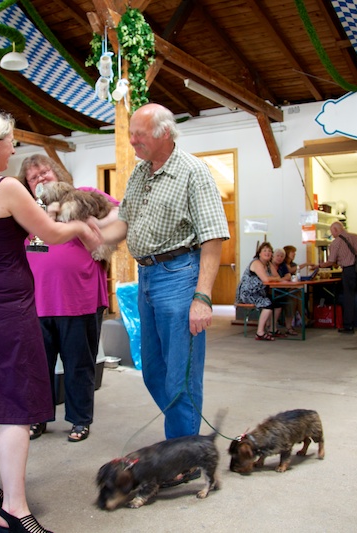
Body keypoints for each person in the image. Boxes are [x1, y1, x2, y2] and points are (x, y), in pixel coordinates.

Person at [0, 107, 100, 533]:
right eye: (11, 139)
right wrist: (81, 228)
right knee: (15, 405)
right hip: (8, 305)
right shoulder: (7, 186)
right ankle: (14, 509)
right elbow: (49, 235)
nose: (14, 146)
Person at [100, 103, 230, 447]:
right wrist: (88, 236)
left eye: (139, 135)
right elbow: (123, 223)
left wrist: (202, 296)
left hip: (179, 275)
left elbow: (213, 237)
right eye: (131, 135)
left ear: (165, 134)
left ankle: (183, 452)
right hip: (147, 277)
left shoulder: (193, 172)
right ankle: (187, 441)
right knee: (154, 371)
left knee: (180, 376)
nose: (132, 142)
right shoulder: (140, 173)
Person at [18, 154, 119, 443]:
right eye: (33, 176)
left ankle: (79, 420)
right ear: (27, 184)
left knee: (79, 365)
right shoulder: (27, 210)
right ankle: (38, 419)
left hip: (80, 299)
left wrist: (89, 223)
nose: (41, 178)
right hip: (36, 303)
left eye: (44, 172)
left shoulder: (84, 195)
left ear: (57, 172)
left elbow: (119, 212)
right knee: (38, 367)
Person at [316, 222, 357, 333]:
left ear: (335, 230)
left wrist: (319, 265)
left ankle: (348, 326)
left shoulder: (336, 243)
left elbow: (331, 261)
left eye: (332, 232)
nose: (332, 234)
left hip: (349, 271)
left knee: (349, 297)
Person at [236, 243, 290, 340]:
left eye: (269, 251)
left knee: (278, 302)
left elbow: (277, 276)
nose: (267, 253)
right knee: (267, 304)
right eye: (264, 250)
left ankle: (273, 329)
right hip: (248, 293)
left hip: (260, 292)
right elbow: (266, 280)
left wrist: (272, 278)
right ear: (259, 253)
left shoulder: (268, 264)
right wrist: (273, 278)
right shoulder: (256, 263)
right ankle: (260, 332)